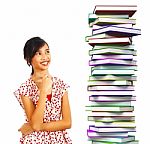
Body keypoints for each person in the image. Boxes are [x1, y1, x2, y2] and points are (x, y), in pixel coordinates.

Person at [14, 37, 72, 144]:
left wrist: (38, 127)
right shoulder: (25, 89)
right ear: (28, 59)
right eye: (38, 53)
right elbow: (36, 124)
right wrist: (43, 91)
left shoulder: (61, 85)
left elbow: (67, 122)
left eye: (47, 52)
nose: (45, 57)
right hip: (35, 140)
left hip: (59, 139)